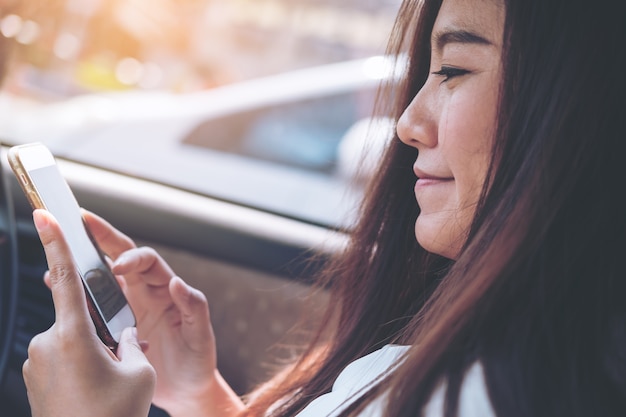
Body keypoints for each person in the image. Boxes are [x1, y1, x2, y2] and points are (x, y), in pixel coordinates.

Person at [21, 0, 626, 415]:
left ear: (581, 110)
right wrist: (201, 395)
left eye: (454, 69)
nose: (409, 123)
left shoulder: (483, 393)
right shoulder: (495, 358)